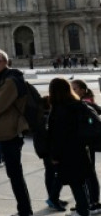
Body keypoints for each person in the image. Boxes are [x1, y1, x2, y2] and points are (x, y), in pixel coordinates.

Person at [0, 48, 34, 216]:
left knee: (15, 173)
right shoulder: (6, 78)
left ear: (5, 62)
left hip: (11, 131)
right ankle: (24, 208)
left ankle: (24, 210)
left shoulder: (9, 81)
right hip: (10, 129)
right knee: (14, 172)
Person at [47, 78, 92, 216]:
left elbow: (56, 136)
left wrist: (54, 156)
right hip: (80, 149)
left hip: (66, 152)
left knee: (75, 184)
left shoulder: (59, 109)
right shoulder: (78, 104)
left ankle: (83, 210)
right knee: (80, 182)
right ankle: (83, 208)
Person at [72, 80, 101, 213]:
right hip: (85, 143)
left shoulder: (85, 104)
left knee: (89, 173)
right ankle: (86, 201)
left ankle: (93, 202)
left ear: (83, 90)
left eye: (76, 89)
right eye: (71, 88)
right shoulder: (82, 103)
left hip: (88, 144)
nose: (73, 91)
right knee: (86, 173)